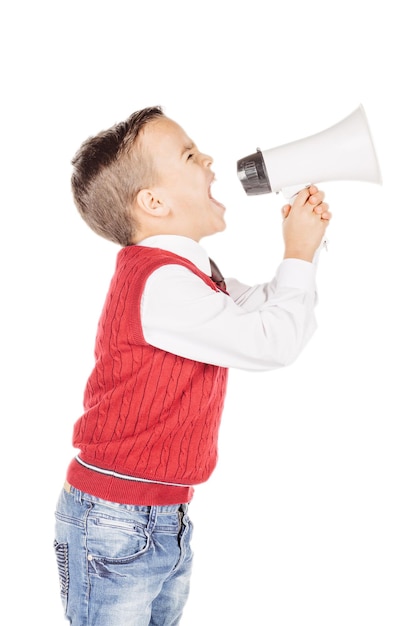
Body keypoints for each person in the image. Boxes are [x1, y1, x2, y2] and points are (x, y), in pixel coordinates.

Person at [54, 105, 331, 626]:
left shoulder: (191, 275)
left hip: (158, 516)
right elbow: (272, 342)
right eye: (187, 154)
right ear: (153, 202)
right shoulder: (162, 283)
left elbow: (275, 310)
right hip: (116, 520)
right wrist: (296, 253)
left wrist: (305, 251)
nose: (207, 159)